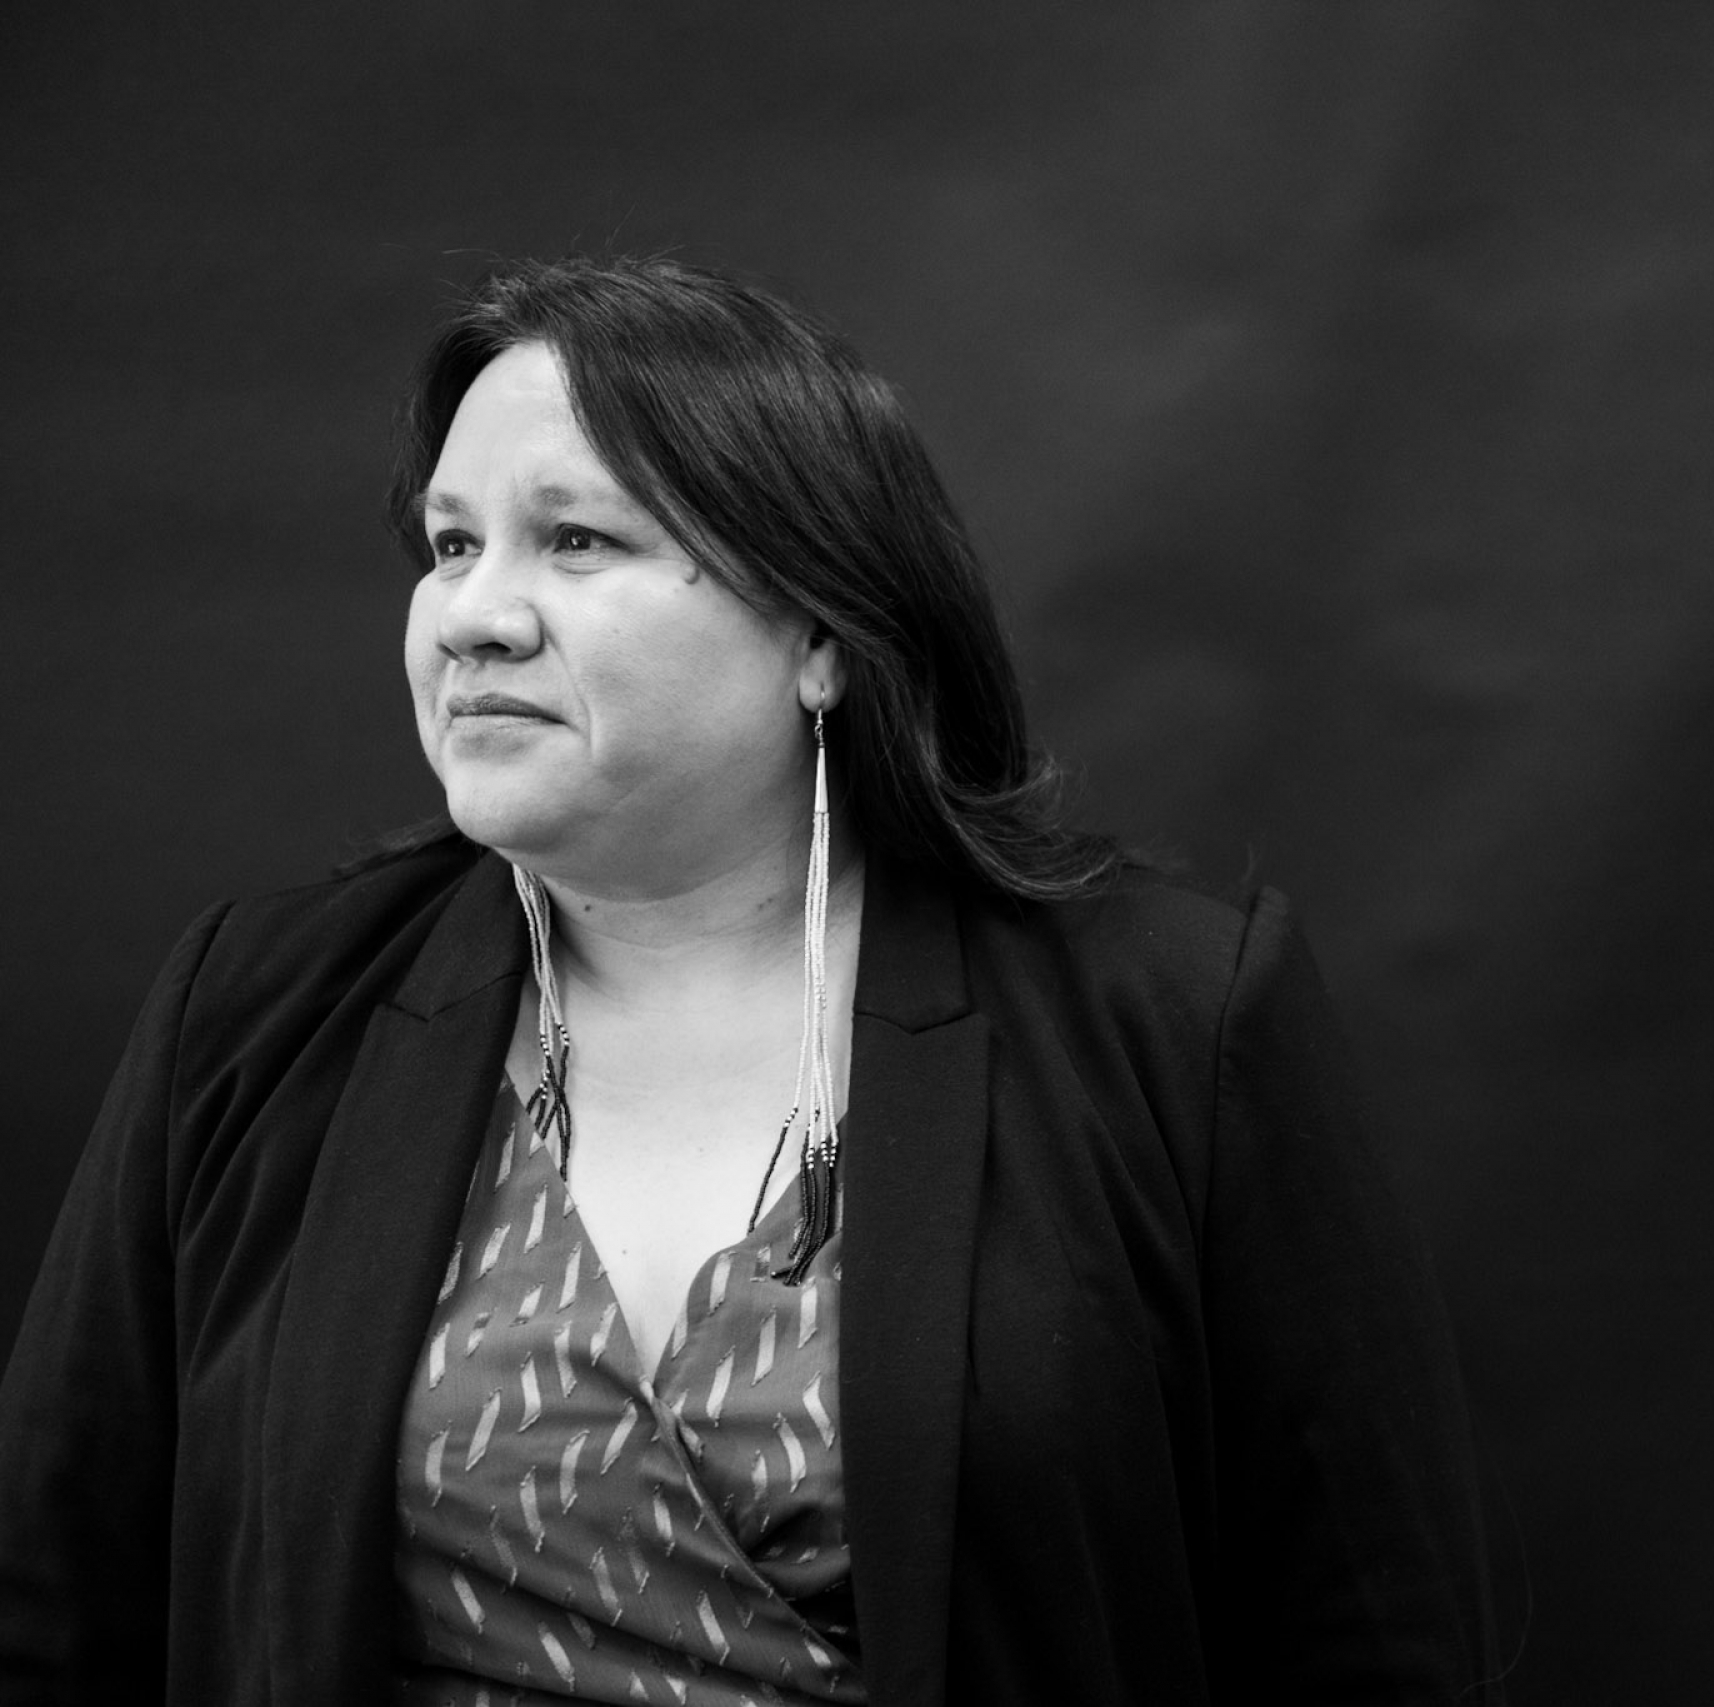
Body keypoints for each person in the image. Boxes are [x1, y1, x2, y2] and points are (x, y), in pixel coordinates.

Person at [0, 257, 1503, 1704]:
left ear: (822, 639)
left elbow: (1375, 1651)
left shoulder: (1172, 1019)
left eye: (574, 540)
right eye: (453, 545)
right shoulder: (252, 1011)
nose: (473, 614)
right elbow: (56, 1619)